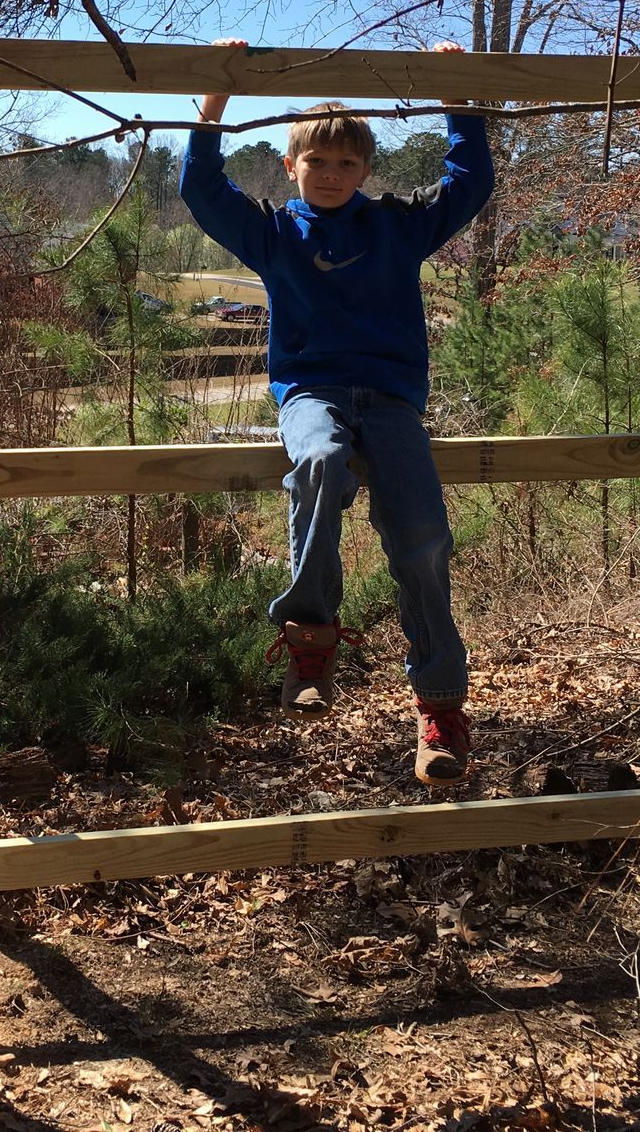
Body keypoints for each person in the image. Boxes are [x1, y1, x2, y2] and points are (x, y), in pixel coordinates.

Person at [178, 40, 494, 784]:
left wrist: (457, 100)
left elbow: (469, 182)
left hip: (390, 401)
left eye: (347, 164)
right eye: (316, 163)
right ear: (290, 167)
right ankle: (310, 641)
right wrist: (215, 98)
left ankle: (441, 708)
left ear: (366, 171)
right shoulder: (275, 232)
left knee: (421, 535)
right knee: (318, 460)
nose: (331, 175)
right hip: (312, 393)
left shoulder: (395, 228)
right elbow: (200, 186)